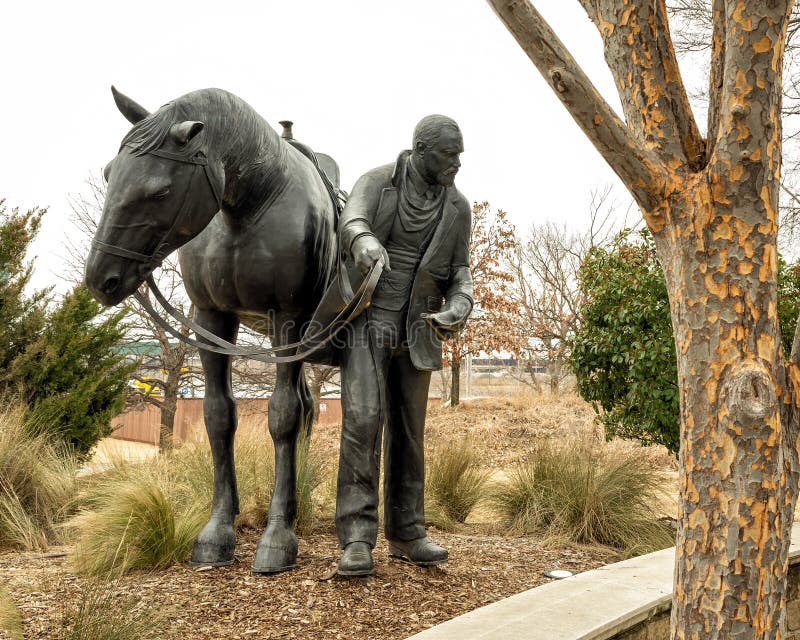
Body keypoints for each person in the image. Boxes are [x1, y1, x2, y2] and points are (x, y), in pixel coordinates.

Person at [335, 115, 474, 576]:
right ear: (420, 149)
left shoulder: (458, 207)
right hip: (368, 322)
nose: (458, 161)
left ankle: (407, 531)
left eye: (459, 153)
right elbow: (351, 219)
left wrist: (462, 302)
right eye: (449, 153)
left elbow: (459, 270)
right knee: (363, 421)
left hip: (419, 330)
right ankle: (356, 538)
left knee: (411, 434)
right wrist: (365, 241)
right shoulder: (378, 183)